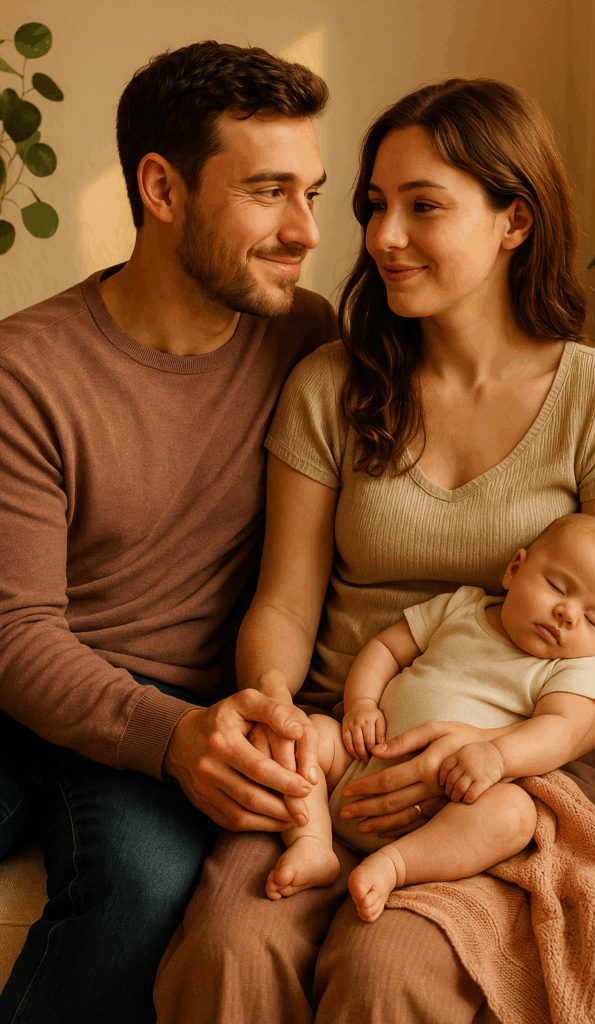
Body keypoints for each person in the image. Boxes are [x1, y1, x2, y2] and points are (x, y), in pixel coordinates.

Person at [154, 77, 595, 1024]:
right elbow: (281, 604)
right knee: (235, 941)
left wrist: (504, 752)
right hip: (344, 738)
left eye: (422, 206)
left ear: (513, 219)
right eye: (374, 206)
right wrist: (279, 716)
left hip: (522, 754)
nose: (382, 236)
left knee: (388, 965)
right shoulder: (330, 383)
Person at [0, 41, 338, 1024]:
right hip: (40, 694)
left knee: (143, 884)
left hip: (180, 716)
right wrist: (173, 736)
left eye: (310, 191)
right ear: (160, 187)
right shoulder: (27, 371)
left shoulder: (306, 342)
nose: (306, 230)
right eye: (270, 191)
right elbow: (16, 632)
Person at [265, 512, 595, 921]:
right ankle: (312, 841)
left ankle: (396, 864)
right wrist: (361, 703)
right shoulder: (462, 607)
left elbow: (562, 729)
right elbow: (387, 649)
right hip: (361, 762)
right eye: (557, 586)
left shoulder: (574, 669)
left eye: (591, 619)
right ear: (515, 569)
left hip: (451, 806)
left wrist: (496, 754)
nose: (567, 614)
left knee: (513, 814)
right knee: (306, 735)